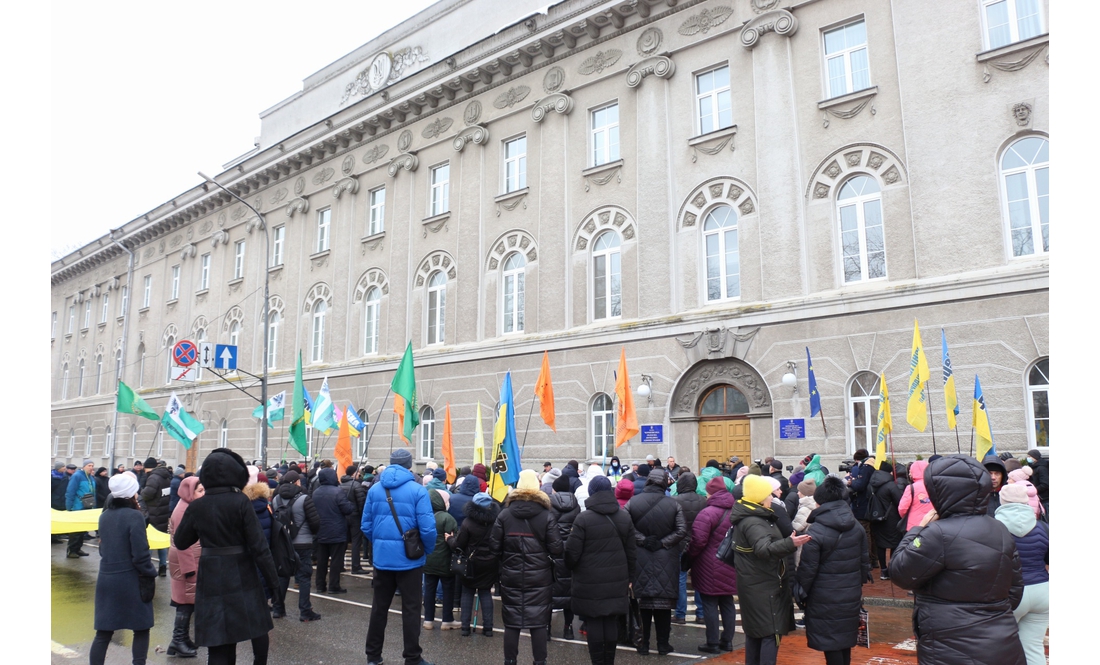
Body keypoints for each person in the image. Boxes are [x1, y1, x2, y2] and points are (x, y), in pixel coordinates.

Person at [889, 455, 1026, 665]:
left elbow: (899, 572)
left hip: (949, 646)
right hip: (1000, 641)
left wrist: (917, 529)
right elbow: (1015, 590)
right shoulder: (999, 528)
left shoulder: (937, 533)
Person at [174, 448, 280, 665]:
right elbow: (259, 546)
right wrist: (273, 581)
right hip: (242, 571)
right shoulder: (240, 501)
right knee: (257, 624)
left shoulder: (198, 505)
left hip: (211, 574)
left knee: (219, 638)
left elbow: (181, 541)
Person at [362, 448, 437, 665]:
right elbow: (428, 528)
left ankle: (373, 656)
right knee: (411, 610)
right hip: (410, 560)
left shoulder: (375, 489)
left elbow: (366, 525)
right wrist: (427, 550)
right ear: (409, 465)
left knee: (379, 609)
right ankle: (412, 657)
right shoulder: (418, 490)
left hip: (383, 559)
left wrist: (380, 543)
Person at [730, 474, 811, 665]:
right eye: (768, 495)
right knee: (769, 634)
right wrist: (789, 543)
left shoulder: (754, 516)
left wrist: (785, 541)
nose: (772, 498)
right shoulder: (754, 521)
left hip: (756, 583)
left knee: (756, 633)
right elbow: (764, 549)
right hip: (763, 586)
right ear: (759, 497)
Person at [488, 470, 563, 665]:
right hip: (540, 576)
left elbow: (494, 546)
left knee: (512, 622)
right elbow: (557, 548)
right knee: (538, 621)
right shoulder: (546, 515)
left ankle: (510, 661)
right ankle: (540, 661)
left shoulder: (505, 515)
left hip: (511, 574)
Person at [795, 476, 871, 665]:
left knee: (831, 642)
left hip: (823, 596)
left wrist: (799, 593)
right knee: (844, 639)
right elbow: (864, 562)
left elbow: (807, 570)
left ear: (819, 501)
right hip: (850, 592)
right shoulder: (856, 526)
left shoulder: (816, 531)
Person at [565, 475, 636, 665]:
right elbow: (632, 551)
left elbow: (572, 552)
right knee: (610, 619)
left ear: (592, 492)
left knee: (594, 620)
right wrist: (630, 576)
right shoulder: (624, 516)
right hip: (617, 577)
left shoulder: (583, 518)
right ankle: (609, 661)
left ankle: (598, 662)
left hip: (589, 579)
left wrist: (572, 567)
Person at [90, 473, 158, 665]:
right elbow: (140, 554)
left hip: (107, 577)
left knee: (103, 633)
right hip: (131, 579)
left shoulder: (104, 516)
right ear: (131, 494)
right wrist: (150, 572)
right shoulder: (135, 516)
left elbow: (103, 549)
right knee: (141, 628)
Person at [626, 468, 686, 655]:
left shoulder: (633, 502)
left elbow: (626, 526)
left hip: (641, 556)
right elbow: (681, 530)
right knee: (663, 606)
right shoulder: (673, 504)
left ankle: (643, 644)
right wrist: (663, 542)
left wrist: (643, 540)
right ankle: (662, 644)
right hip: (665, 558)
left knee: (642, 604)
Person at [995, 484, 1049, 665]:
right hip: (1042, 591)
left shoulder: (994, 528)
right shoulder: (1043, 527)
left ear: (1001, 501)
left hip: (1009, 592)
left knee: (999, 647)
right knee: (1033, 647)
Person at [687, 477, 738, 653]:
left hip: (708, 563)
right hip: (730, 561)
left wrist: (689, 557)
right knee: (727, 602)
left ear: (711, 493)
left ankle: (713, 643)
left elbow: (698, 541)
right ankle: (728, 641)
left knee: (709, 602)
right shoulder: (736, 511)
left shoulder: (707, 513)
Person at [271, 469, 321, 620]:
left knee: (282, 575)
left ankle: (278, 609)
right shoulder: (305, 498)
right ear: (298, 482)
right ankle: (305, 611)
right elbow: (315, 522)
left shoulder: (275, 499)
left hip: (282, 543)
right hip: (303, 543)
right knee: (304, 576)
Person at [449, 492, 500, 637]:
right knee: (485, 593)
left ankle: (465, 627)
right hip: (490, 562)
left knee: (467, 592)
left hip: (471, 562)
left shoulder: (468, 522)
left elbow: (459, 545)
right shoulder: (496, 522)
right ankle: (488, 628)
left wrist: (449, 539)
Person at [168, 475, 203, 658]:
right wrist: (190, 569)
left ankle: (182, 639)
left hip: (189, 561)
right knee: (185, 603)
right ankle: (178, 640)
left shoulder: (188, 506)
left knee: (188, 602)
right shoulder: (183, 510)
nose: (203, 494)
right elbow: (182, 542)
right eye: (200, 491)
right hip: (186, 563)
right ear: (190, 492)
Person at [312, 466, 354, 594]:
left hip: (320, 530)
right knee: (336, 560)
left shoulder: (316, 492)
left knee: (322, 560)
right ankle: (333, 586)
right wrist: (350, 503)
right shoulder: (338, 492)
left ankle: (320, 585)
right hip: (337, 531)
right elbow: (347, 509)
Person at [672, 471, 707, 625]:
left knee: (680, 578)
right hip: (699, 544)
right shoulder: (703, 500)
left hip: (680, 544)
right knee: (700, 578)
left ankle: (680, 614)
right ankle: (701, 614)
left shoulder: (674, 501)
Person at [550, 473, 581, 638]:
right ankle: (568, 629)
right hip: (570, 551)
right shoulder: (576, 505)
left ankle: (546, 629)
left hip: (553, 552)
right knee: (568, 592)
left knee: (550, 590)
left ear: (554, 489)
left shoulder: (548, 504)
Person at [423, 488, 459, 630]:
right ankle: (447, 620)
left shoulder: (425, 516)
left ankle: (428, 620)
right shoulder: (447, 518)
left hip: (428, 560)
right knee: (448, 590)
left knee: (429, 590)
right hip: (445, 561)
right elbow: (454, 540)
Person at [868, 461, 904, 580]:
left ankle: (883, 570)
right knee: (894, 543)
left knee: (881, 545)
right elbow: (899, 501)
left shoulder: (871, 483)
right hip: (891, 518)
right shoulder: (890, 485)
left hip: (876, 517)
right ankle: (891, 569)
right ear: (889, 472)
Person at [845, 449, 879, 569]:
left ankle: (868, 561)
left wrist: (850, 483)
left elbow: (860, 485)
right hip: (873, 504)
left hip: (864, 504)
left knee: (865, 532)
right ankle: (874, 559)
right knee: (872, 532)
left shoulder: (865, 467)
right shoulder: (873, 464)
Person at [140, 460, 174, 577]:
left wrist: (140, 493)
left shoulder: (153, 478)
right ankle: (163, 566)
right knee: (161, 540)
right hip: (163, 512)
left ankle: (147, 566)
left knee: (150, 540)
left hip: (153, 512)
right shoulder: (166, 477)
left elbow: (147, 494)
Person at [65, 459, 98, 558]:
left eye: (92, 465)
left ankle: (78, 549)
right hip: (78, 506)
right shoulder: (77, 476)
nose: (91, 467)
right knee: (75, 530)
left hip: (87, 505)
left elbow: (93, 493)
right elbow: (70, 491)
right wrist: (69, 507)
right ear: (84, 466)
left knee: (82, 530)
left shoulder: (91, 478)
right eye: (89, 465)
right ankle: (71, 550)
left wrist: (93, 506)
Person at [341, 465, 369, 574]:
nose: (359, 475)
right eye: (357, 473)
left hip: (344, 517)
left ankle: (340, 565)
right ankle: (355, 566)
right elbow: (361, 503)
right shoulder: (357, 485)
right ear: (353, 473)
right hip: (355, 517)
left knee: (343, 542)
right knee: (356, 542)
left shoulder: (340, 485)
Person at [898, 459, 933, 532]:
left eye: (910, 471)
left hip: (914, 526)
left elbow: (902, 508)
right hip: (933, 524)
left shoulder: (911, 488)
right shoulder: (935, 486)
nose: (909, 474)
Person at [1025, 449, 1048, 514]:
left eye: (1030, 456)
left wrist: (1034, 490)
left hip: (1044, 498)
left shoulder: (1041, 468)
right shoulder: (1033, 467)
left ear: (1035, 457)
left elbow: (1045, 483)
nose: (1028, 458)